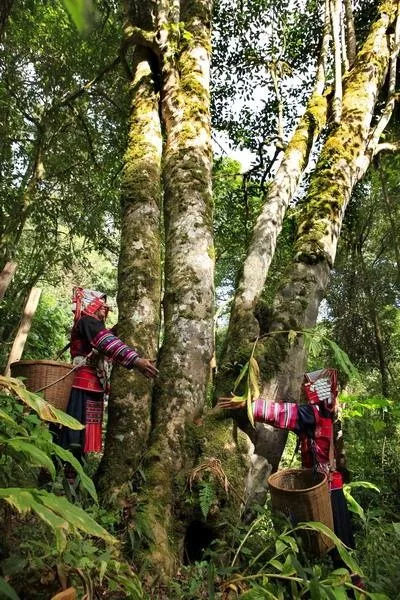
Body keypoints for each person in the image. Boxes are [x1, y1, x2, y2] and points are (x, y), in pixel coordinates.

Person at [219, 368, 364, 588]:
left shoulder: (313, 414)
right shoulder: (331, 412)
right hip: (333, 483)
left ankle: (344, 586)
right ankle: (347, 584)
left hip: (321, 487)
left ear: (316, 391)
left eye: (310, 389)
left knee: (324, 540)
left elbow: (282, 413)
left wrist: (247, 404)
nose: (306, 392)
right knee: (341, 541)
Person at [58, 287, 158, 463]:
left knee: (83, 435)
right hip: (82, 383)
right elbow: (104, 342)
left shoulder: (92, 326)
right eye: (101, 304)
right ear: (91, 305)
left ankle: (72, 477)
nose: (105, 308)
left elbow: (105, 338)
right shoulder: (86, 321)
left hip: (93, 384)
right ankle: (59, 474)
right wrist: (136, 360)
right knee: (73, 433)